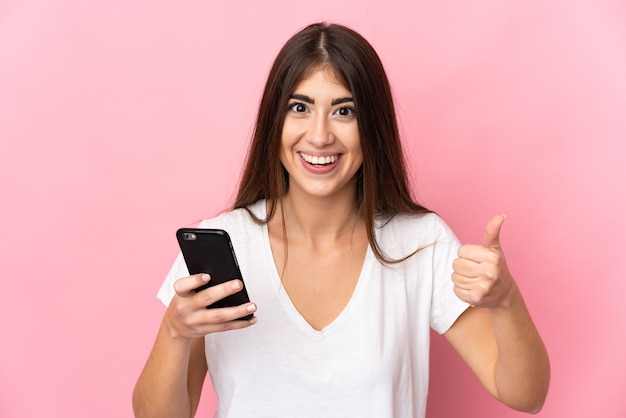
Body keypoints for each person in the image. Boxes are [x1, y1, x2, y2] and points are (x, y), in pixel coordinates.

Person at [132, 22, 550, 418]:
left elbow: (525, 395)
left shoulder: (420, 243)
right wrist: (175, 331)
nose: (319, 135)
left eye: (344, 111)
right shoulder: (225, 240)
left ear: (373, 125)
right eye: (300, 107)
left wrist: (505, 299)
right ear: (273, 122)